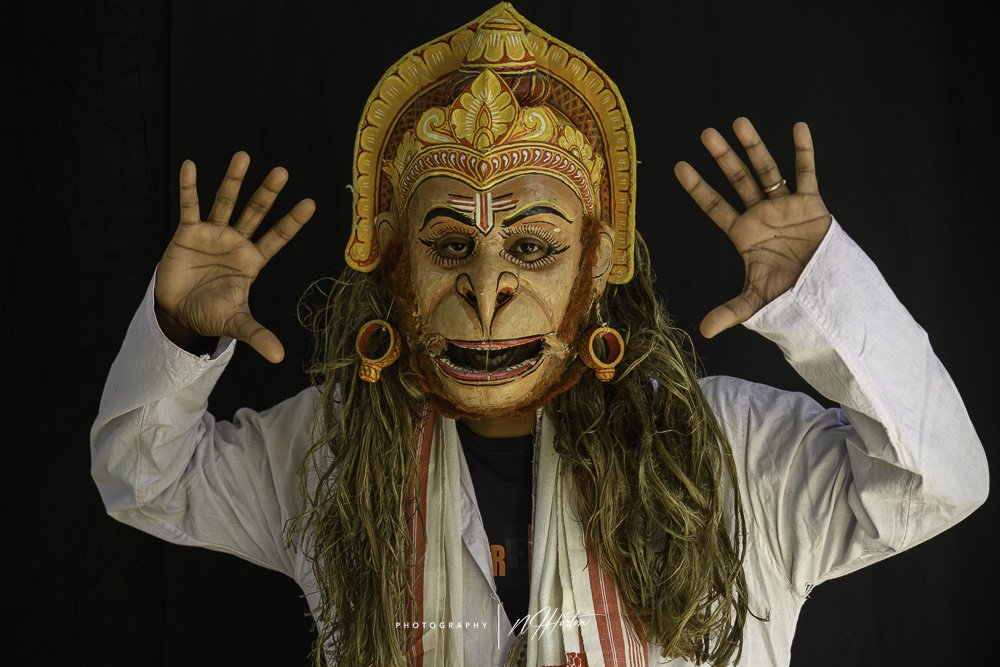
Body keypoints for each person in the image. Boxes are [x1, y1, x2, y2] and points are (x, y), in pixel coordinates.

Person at [90, 4, 988, 666]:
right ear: (396, 268)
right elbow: (144, 479)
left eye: (532, 246)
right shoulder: (327, 450)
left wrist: (823, 293)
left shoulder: (733, 454)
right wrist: (176, 330)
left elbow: (938, 480)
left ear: (595, 267)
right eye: (448, 245)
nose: (487, 290)